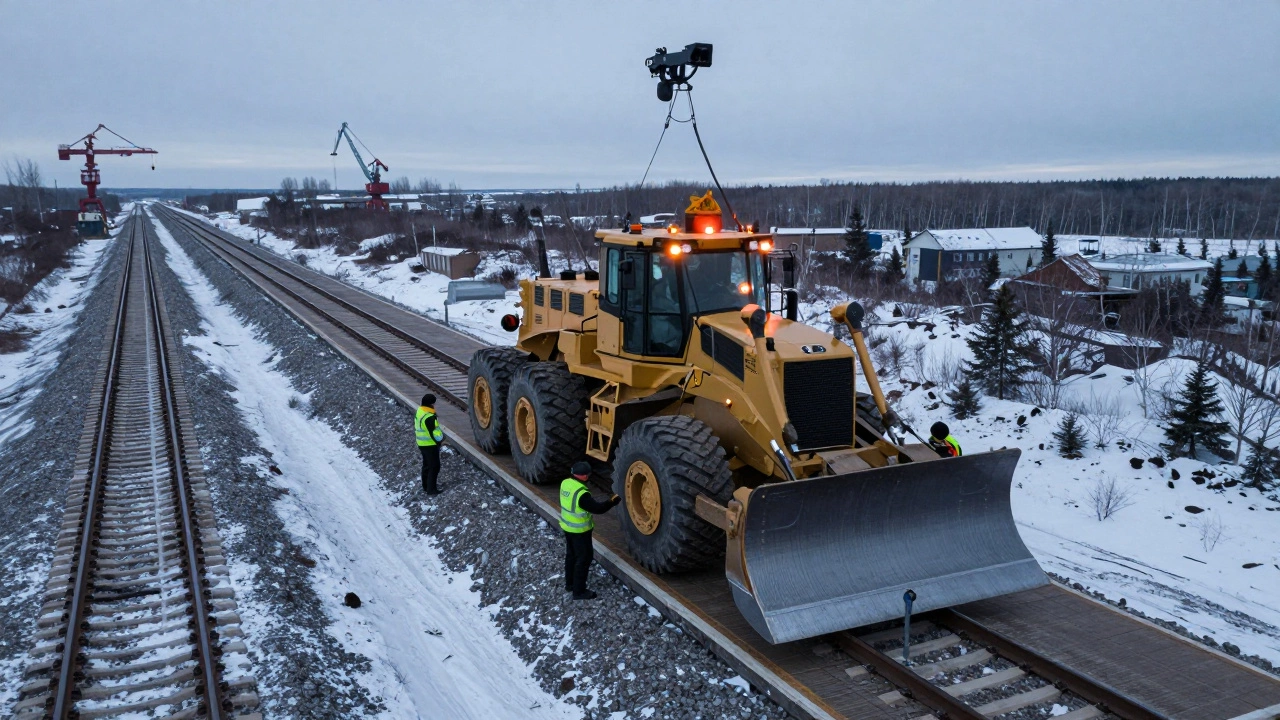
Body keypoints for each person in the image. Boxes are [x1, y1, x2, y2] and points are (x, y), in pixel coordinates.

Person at [560, 460, 620, 600]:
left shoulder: (565, 483)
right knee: (584, 558)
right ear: (584, 476)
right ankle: (579, 591)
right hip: (580, 531)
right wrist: (612, 502)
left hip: (568, 527)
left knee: (571, 556)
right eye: (587, 474)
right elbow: (598, 509)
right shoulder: (582, 494)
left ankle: (569, 584)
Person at [415, 394, 445, 494]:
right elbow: (435, 434)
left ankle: (426, 486)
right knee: (434, 466)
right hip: (430, 445)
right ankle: (431, 490)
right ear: (431, 404)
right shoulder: (430, 417)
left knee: (426, 465)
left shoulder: (420, 411)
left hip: (421, 443)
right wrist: (441, 439)